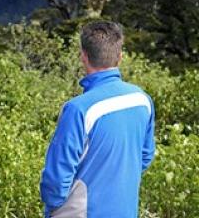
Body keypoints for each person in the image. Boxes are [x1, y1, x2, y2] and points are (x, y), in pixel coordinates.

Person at [40, 21, 156, 218]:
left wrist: (53, 207)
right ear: (120, 56)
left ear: (83, 56)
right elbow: (145, 156)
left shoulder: (78, 109)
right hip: (126, 210)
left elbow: (56, 180)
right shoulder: (141, 99)